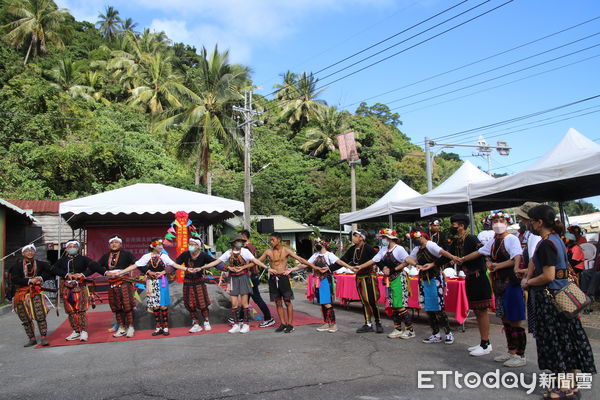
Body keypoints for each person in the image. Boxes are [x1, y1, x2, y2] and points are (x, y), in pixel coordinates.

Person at [522, 205, 596, 399]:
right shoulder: (556, 240)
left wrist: (527, 281)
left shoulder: (546, 243)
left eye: (530, 220)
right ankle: (571, 387)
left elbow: (548, 275)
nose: (528, 224)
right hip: (562, 297)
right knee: (567, 342)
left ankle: (564, 389)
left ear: (538, 222)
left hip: (550, 300)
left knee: (557, 345)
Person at [461, 211, 526, 367]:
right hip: (498, 284)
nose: (497, 223)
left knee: (515, 319)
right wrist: (462, 259)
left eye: (501, 220)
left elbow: (516, 257)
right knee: (504, 318)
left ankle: (520, 355)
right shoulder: (494, 240)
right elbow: (479, 252)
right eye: (495, 220)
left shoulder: (511, 239)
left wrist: (498, 265)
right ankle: (511, 351)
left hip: (510, 282)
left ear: (507, 223)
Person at [442, 214, 493, 357]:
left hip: (479, 277)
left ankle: (485, 343)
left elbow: (481, 252)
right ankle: (484, 342)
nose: (452, 227)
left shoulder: (471, 238)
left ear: (462, 226)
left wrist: (463, 259)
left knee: (481, 311)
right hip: (469, 278)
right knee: (477, 311)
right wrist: (434, 264)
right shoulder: (457, 241)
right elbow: (447, 255)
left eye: (454, 224)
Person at [199, 234, 270, 334]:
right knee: (234, 303)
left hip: (244, 277)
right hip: (233, 279)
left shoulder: (245, 251)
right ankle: (236, 324)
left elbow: (255, 261)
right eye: (238, 241)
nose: (240, 242)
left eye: (240, 241)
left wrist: (267, 268)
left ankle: (246, 324)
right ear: (233, 243)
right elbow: (217, 262)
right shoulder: (228, 253)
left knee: (245, 303)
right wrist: (202, 267)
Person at [117, 238, 188, 336]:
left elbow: (174, 265)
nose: (161, 246)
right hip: (151, 282)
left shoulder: (164, 256)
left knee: (162, 305)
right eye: (159, 245)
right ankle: (158, 327)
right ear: (152, 246)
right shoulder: (146, 256)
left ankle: (166, 327)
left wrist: (187, 269)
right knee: (155, 305)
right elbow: (135, 265)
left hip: (162, 281)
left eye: (161, 245)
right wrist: (121, 272)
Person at [355, 229, 414, 339]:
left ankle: (410, 329)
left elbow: (407, 260)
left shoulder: (399, 249)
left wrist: (416, 265)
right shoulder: (383, 249)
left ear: (389, 238)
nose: (382, 239)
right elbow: (374, 260)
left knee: (400, 305)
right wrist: (361, 266)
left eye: (383, 237)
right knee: (394, 306)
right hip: (390, 280)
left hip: (399, 278)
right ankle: (397, 329)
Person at [257, 232, 317, 333]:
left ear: (279, 240)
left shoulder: (286, 250)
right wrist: (267, 268)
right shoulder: (268, 251)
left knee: (287, 301)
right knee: (278, 302)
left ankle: (290, 324)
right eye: (270, 240)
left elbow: (300, 259)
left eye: (273, 240)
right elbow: (257, 261)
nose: (271, 242)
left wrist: (314, 266)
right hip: (273, 278)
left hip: (283, 278)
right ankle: (283, 323)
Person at [406, 231, 456, 345]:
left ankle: (448, 333)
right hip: (424, 279)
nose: (415, 241)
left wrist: (453, 257)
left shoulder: (430, 245)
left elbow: (443, 252)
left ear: (423, 237)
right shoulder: (417, 249)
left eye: (417, 238)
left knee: (438, 307)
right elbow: (408, 259)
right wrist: (415, 265)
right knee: (428, 307)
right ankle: (435, 333)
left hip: (434, 278)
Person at [52, 240, 107, 342]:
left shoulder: (83, 259)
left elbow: (94, 266)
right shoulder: (62, 260)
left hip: (80, 286)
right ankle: (76, 331)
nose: (72, 248)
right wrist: (65, 275)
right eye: (70, 246)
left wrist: (83, 274)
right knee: (70, 310)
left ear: (78, 248)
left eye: (75, 246)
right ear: (66, 248)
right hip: (66, 287)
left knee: (81, 310)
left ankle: (84, 331)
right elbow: (53, 269)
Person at [8, 244, 53, 347]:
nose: (30, 252)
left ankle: (43, 337)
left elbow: (50, 271)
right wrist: (29, 280)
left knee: (40, 314)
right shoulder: (17, 266)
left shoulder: (41, 264)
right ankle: (31, 338)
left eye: (32, 250)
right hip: (21, 294)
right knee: (25, 317)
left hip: (35, 292)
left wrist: (40, 278)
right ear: (23, 253)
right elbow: (15, 279)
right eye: (27, 251)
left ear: (35, 253)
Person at [307, 238, 353, 333]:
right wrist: (292, 269)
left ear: (324, 244)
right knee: (322, 303)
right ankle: (326, 322)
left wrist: (349, 267)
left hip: (325, 280)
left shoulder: (329, 255)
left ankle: (333, 323)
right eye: (315, 243)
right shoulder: (315, 255)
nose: (317, 244)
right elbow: (306, 263)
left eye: (318, 243)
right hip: (317, 281)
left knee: (327, 302)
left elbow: (339, 262)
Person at [339, 230, 380, 333]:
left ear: (361, 238)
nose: (353, 238)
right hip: (359, 278)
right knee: (364, 301)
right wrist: (330, 267)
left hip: (369, 277)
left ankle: (378, 323)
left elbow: (378, 259)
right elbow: (343, 260)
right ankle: (368, 324)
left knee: (371, 300)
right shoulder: (352, 249)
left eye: (355, 236)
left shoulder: (368, 248)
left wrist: (385, 268)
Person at [99, 235, 137, 338]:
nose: (114, 244)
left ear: (120, 244)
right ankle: (121, 327)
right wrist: (106, 272)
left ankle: (131, 327)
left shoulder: (127, 254)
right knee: (116, 307)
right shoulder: (105, 256)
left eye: (116, 242)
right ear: (109, 244)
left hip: (124, 281)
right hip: (112, 283)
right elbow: (97, 266)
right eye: (112, 242)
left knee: (127, 305)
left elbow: (136, 263)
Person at [175, 237, 217, 333]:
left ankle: (206, 321)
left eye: (193, 244)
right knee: (190, 304)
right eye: (189, 244)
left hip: (199, 281)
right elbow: (175, 264)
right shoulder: (185, 254)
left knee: (203, 303)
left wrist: (202, 267)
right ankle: (195, 323)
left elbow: (215, 262)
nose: (190, 246)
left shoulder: (203, 255)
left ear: (198, 246)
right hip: (188, 282)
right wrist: (185, 269)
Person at [239, 229, 275, 328]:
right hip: (251, 275)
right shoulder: (251, 247)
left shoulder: (246, 248)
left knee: (256, 298)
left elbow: (249, 262)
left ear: (244, 237)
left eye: (239, 237)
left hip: (250, 276)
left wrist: (243, 270)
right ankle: (240, 318)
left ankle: (268, 318)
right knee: (245, 297)